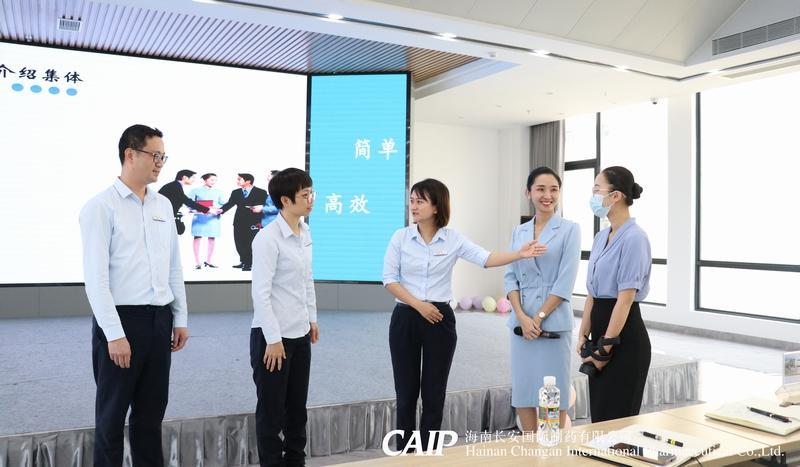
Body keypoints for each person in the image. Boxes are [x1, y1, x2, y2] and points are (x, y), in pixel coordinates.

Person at [382, 178, 543, 452]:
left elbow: (486, 258)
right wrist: (419, 306)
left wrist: (518, 254)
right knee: (405, 393)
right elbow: (389, 279)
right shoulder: (400, 237)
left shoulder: (453, 239)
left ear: (436, 206)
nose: (414, 206)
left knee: (434, 393)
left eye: (420, 201)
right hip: (406, 316)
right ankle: (404, 454)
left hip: (440, 320)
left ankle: (428, 453)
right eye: (412, 200)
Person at [79, 124, 189, 466]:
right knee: (111, 417)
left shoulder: (163, 204)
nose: (160, 163)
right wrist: (114, 334)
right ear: (130, 154)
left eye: (163, 157)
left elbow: (174, 266)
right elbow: (96, 279)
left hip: (160, 319)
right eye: (155, 155)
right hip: (122, 321)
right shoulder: (101, 207)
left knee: (150, 416)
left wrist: (180, 318)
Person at [250, 168, 319, 467]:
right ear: (285, 200)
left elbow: (307, 279)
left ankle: (295, 461)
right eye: (305, 195)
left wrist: (311, 318)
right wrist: (273, 339)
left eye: (311, 193)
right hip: (272, 338)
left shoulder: (305, 232)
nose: (310, 199)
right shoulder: (267, 238)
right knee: (271, 411)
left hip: (300, 332)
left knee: (297, 409)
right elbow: (260, 294)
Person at [504, 167, 581, 432]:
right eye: (540, 189)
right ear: (528, 193)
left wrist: (537, 318)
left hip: (553, 323)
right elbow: (509, 277)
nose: (547, 195)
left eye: (554, 189)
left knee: (552, 394)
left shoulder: (570, 229)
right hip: (521, 325)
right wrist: (522, 317)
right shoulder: (519, 231)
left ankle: (551, 449)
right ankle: (530, 450)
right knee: (524, 392)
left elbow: (565, 282)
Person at [577, 166, 652, 423]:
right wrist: (583, 334)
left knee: (618, 424)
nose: (593, 195)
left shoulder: (635, 238)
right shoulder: (601, 236)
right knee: (600, 421)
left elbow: (625, 298)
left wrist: (605, 348)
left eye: (597, 189)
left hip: (625, 340)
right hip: (600, 334)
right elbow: (592, 293)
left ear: (616, 195)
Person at [221, 173, 268, 271]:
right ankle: (243, 260)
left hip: (254, 221)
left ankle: (249, 263)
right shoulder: (236, 192)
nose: (237, 181)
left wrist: (260, 214)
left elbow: (266, 205)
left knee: (251, 242)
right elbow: (230, 204)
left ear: (248, 181)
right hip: (239, 221)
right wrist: (220, 210)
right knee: (239, 242)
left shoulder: (261, 192)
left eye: (239, 179)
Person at [189, 173, 226, 269]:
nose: (214, 182)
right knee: (197, 237)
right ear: (205, 180)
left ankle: (208, 261)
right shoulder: (195, 191)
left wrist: (216, 208)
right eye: (212, 180)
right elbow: (189, 203)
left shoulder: (219, 192)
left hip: (212, 217)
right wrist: (196, 210)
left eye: (215, 180)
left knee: (212, 238)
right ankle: (197, 262)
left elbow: (224, 204)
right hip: (199, 216)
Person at [157, 169, 211, 234]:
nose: (194, 180)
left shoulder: (175, 185)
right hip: (162, 218)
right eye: (193, 178)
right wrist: (207, 210)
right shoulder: (175, 186)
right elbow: (187, 201)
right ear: (184, 177)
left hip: (164, 216)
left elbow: (183, 200)